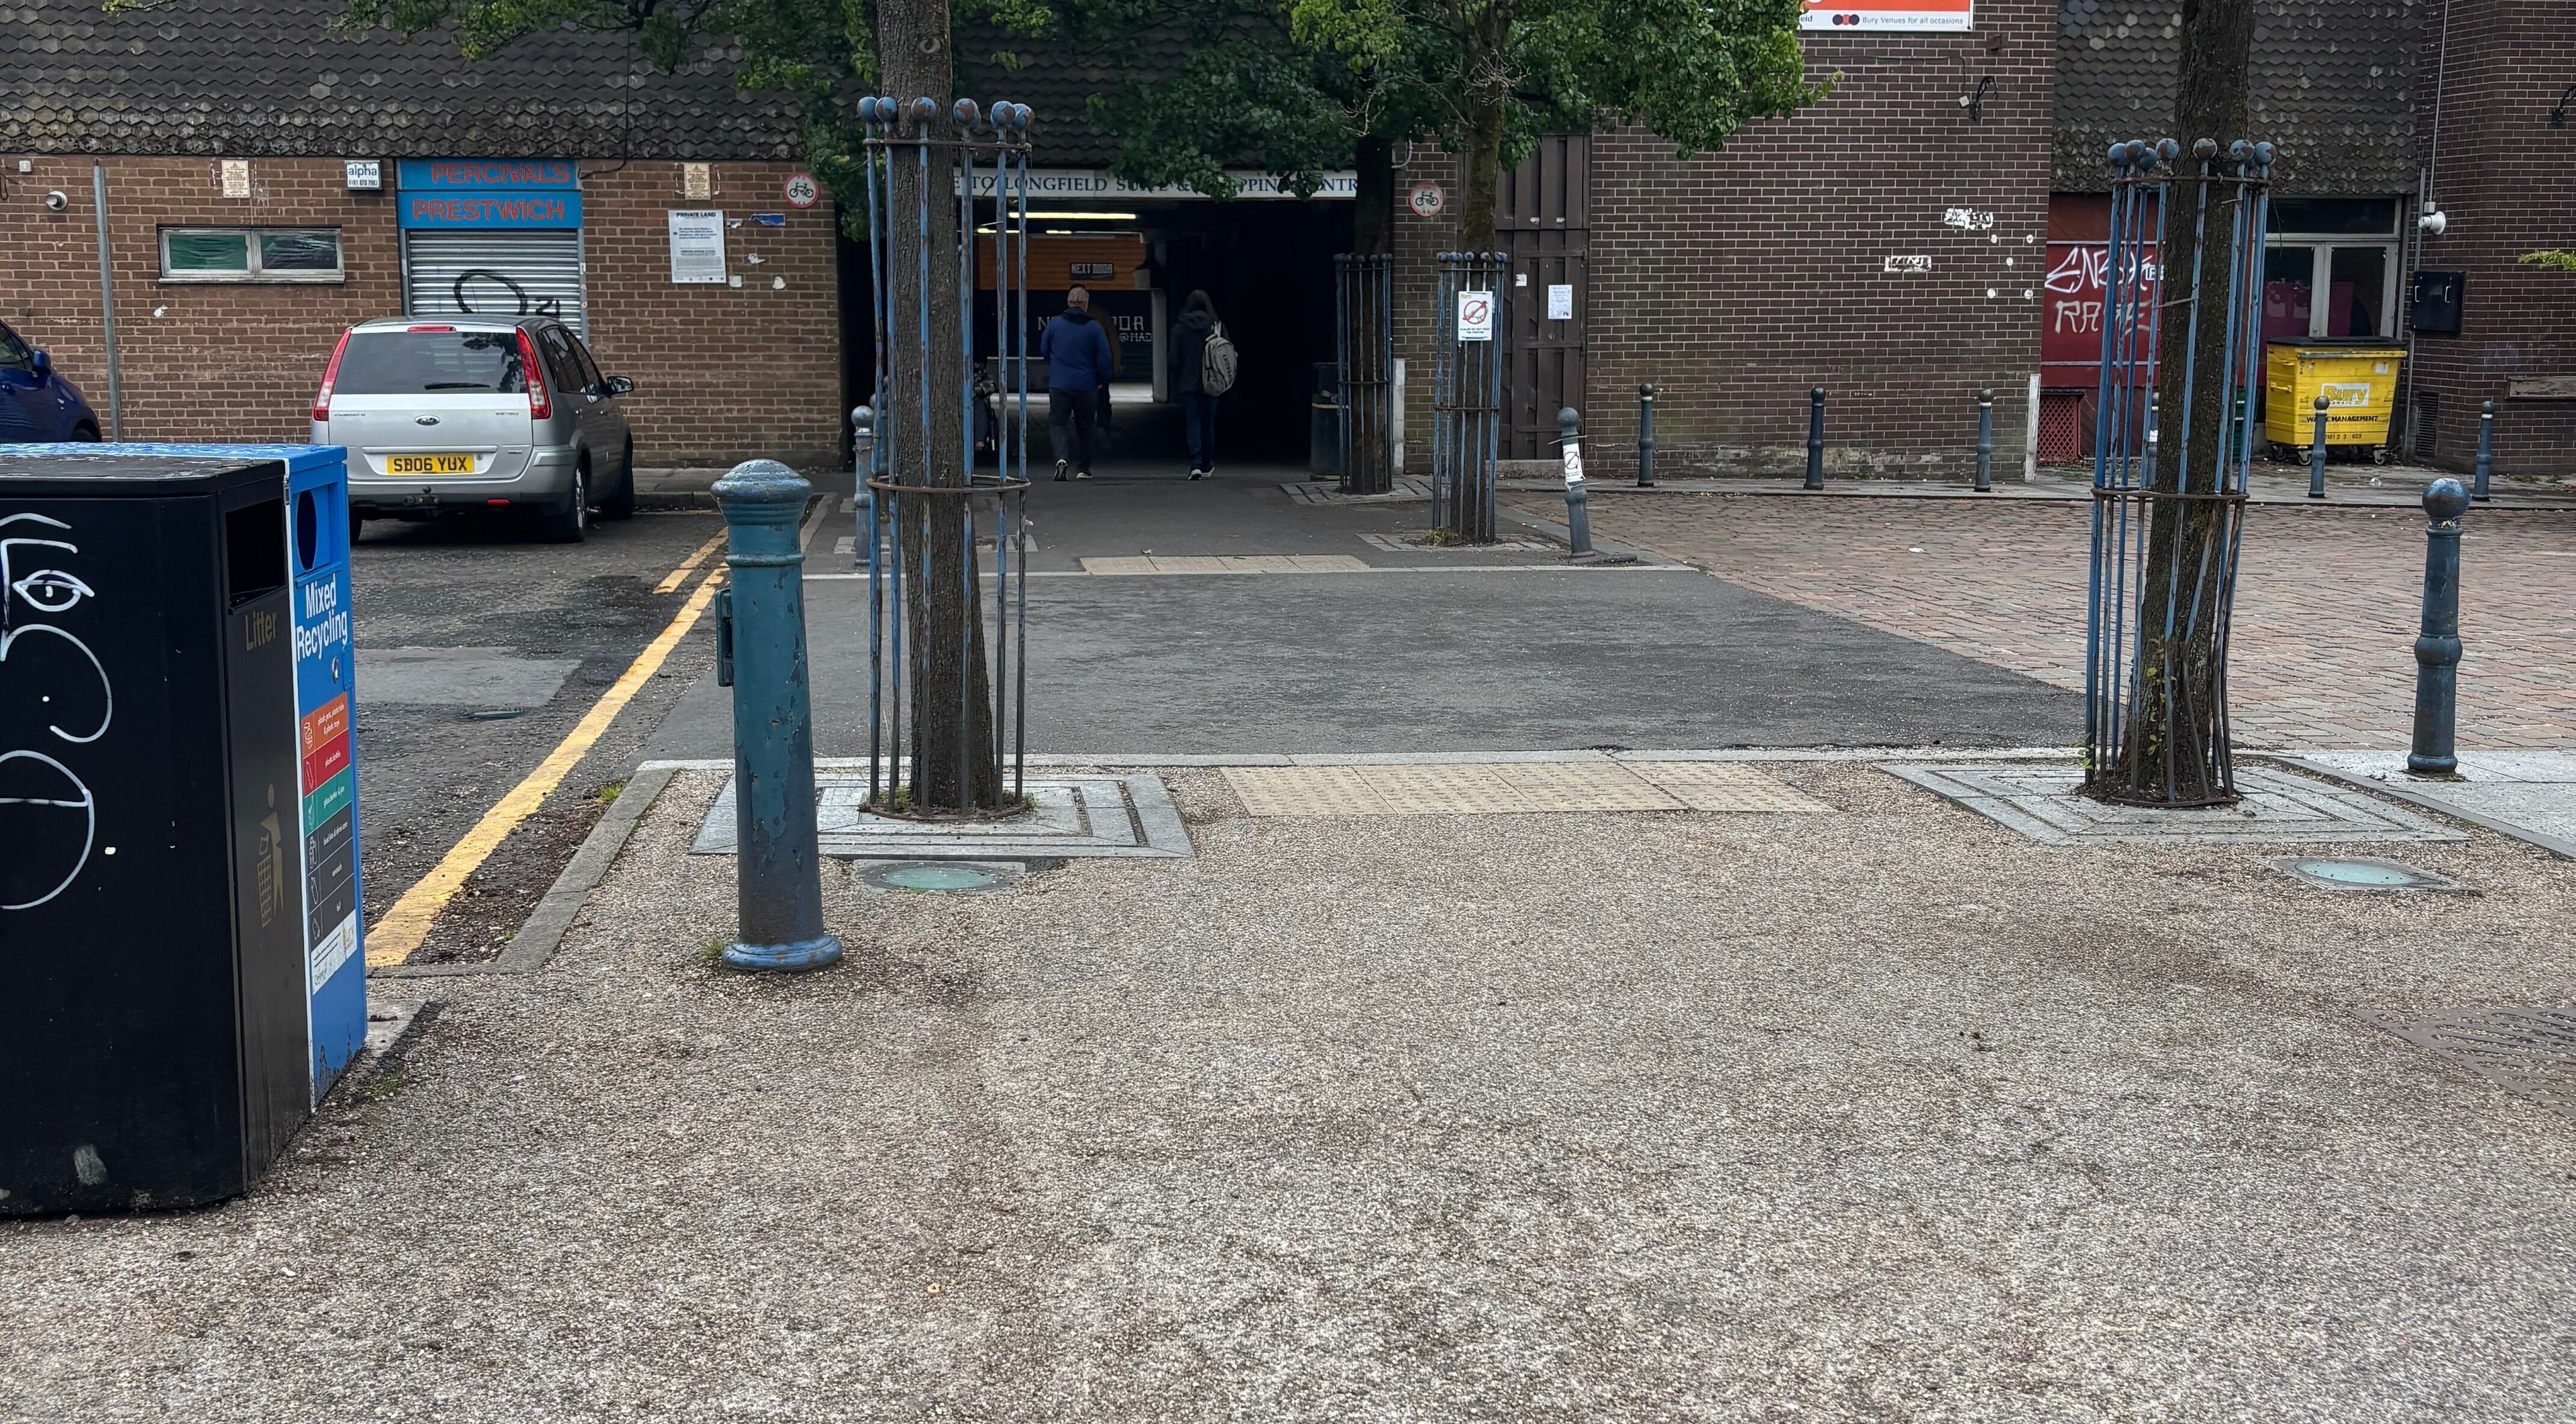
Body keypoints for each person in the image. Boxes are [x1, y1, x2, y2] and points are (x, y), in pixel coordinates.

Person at [1038, 285, 1114, 480]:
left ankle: (1061, 458)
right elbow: (1105, 358)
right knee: (1086, 427)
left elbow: (1044, 350)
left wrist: (1056, 366)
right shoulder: (1094, 327)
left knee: (1057, 423)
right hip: (1087, 386)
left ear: (1069, 303)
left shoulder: (1054, 324)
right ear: (1086, 305)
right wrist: (1100, 380)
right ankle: (1083, 469)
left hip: (1060, 385)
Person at [1167, 290, 1222, 480]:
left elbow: (1173, 360)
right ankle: (1207, 464)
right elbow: (1228, 354)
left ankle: (1195, 464)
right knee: (1209, 424)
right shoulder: (1216, 327)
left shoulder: (1180, 328)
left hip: (1188, 385)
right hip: (1212, 384)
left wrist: (1176, 382)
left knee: (1193, 423)